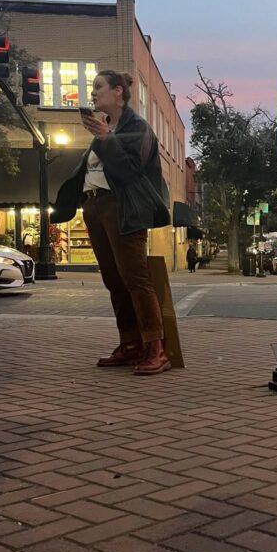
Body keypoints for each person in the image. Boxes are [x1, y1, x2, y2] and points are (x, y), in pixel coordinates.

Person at [52, 70, 172, 376]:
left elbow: (129, 171)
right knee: (113, 280)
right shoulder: (108, 128)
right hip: (94, 206)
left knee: (135, 278)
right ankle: (130, 344)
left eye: (98, 87)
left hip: (123, 208)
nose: (93, 93)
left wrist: (105, 138)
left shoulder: (137, 127)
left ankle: (157, 349)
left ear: (118, 92)